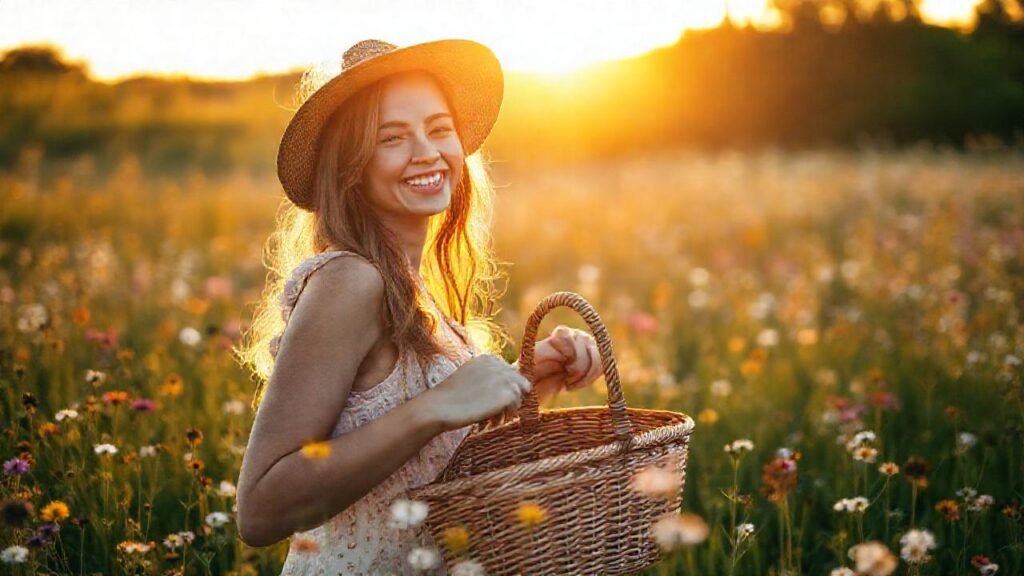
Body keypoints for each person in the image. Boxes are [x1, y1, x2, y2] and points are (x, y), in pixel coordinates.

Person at [233, 39, 604, 575]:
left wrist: (528, 379)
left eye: (438, 128)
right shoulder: (351, 281)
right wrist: (434, 408)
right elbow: (260, 510)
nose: (427, 152)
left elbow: (431, 469)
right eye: (392, 138)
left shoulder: (414, 288)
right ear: (352, 165)